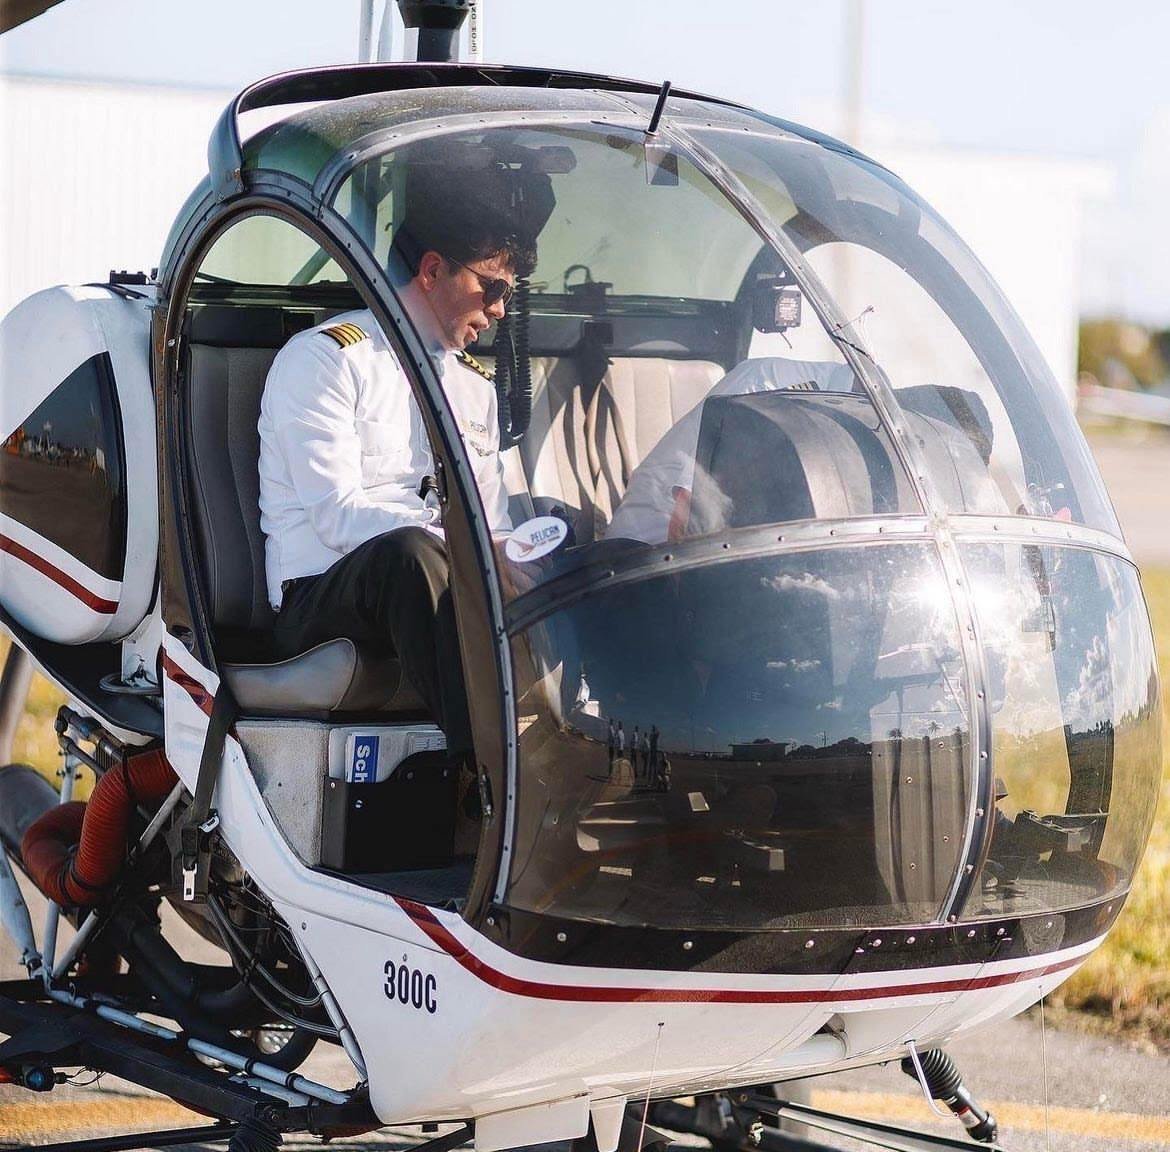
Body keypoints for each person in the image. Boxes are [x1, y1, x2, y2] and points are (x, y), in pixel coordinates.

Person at [258, 187, 538, 764]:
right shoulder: (329, 359)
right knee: (410, 555)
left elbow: (494, 521)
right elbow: (338, 517)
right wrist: (463, 542)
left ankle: (604, 750)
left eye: (509, 295)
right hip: (320, 594)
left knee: (562, 547)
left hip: (440, 577)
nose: (501, 311)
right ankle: (496, 772)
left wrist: (528, 558)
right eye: (493, 289)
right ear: (433, 270)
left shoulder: (474, 388)